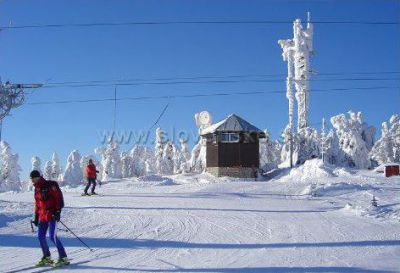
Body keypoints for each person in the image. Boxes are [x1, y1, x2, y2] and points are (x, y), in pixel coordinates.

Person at [30, 170, 69, 267]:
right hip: (42, 216)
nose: (33, 180)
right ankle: (47, 256)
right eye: (31, 179)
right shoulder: (36, 189)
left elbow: (59, 198)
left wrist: (58, 211)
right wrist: (36, 216)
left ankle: (63, 257)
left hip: (52, 215)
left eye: (34, 178)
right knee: (40, 237)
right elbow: (37, 204)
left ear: (38, 177)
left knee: (52, 236)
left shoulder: (50, 185)